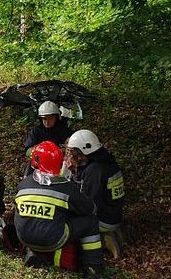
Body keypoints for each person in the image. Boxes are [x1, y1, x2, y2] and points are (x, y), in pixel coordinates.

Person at [14, 141, 104, 279]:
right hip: (53, 240)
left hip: (23, 238)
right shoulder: (66, 188)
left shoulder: (23, 184)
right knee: (91, 222)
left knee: (35, 220)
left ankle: (33, 253)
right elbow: (90, 209)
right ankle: (93, 269)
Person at [66, 130, 124, 234]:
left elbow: (85, 204)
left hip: (103, 221)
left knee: (66, 223)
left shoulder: (94, 170)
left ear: (85, 152)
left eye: (76, 154)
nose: (76, 158)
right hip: (115, 216)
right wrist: (75, 171)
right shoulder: (108, 161)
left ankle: (101, 241)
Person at [23, 101, 73, 175]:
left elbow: (72, 147)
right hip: (39, 163)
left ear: (56, 117)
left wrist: (63, 151)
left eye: (50, 118)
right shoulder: (36, 131)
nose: (47, 122)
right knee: (28, 173)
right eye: (44, 119)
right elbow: (27, 150)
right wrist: (40, 152)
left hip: (60, 163)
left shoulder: (63, 130)